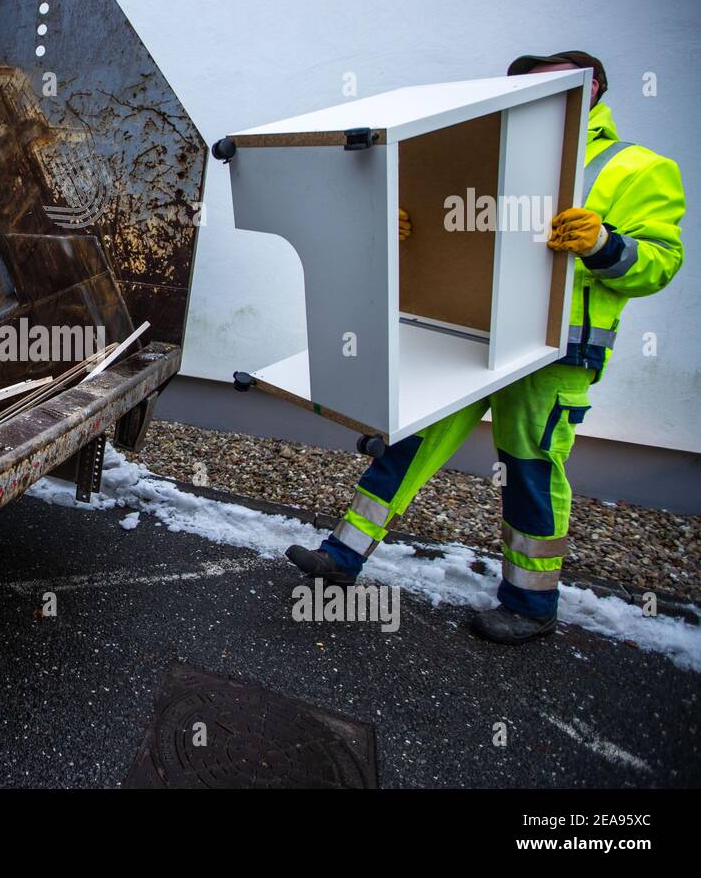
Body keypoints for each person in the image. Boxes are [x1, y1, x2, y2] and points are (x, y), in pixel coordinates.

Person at [284, 51, 686, 644]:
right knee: (408, 441)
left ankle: (530, 605)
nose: (531, 96)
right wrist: (400, 232)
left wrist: (603, 243)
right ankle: (340, 557)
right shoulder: (486, 150)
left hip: (554, 352)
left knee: (529, 468)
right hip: (469, 334)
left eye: (549, 83)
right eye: (520, 86)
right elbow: (457, 241)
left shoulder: (635, 168)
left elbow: (660, 263)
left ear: (592, 86)